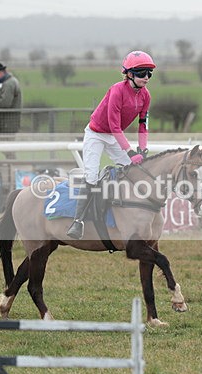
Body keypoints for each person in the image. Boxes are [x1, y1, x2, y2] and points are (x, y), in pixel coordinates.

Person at [66, 50, 155, 240]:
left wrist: (143, 149)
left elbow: (142, 125)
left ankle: (121, 210)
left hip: (114, 136)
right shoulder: (117, 90)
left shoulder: (145, 96)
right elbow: (114, 126)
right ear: (129, 74)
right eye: (141, 73)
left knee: (133, 170)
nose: (146, 77)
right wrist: (131, 152)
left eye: (149, 73)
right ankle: (78, 221)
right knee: (91, 176)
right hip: (96, 134)